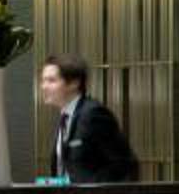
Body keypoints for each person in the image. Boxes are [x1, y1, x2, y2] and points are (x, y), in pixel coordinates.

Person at [39, 54, 139, 185]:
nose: (44, 86)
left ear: (74, 83)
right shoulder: (65, 117)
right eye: (43, 80)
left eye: (51, 81)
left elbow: (124, 164)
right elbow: (68, 173)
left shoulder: (93, 115)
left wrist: (90, 189)